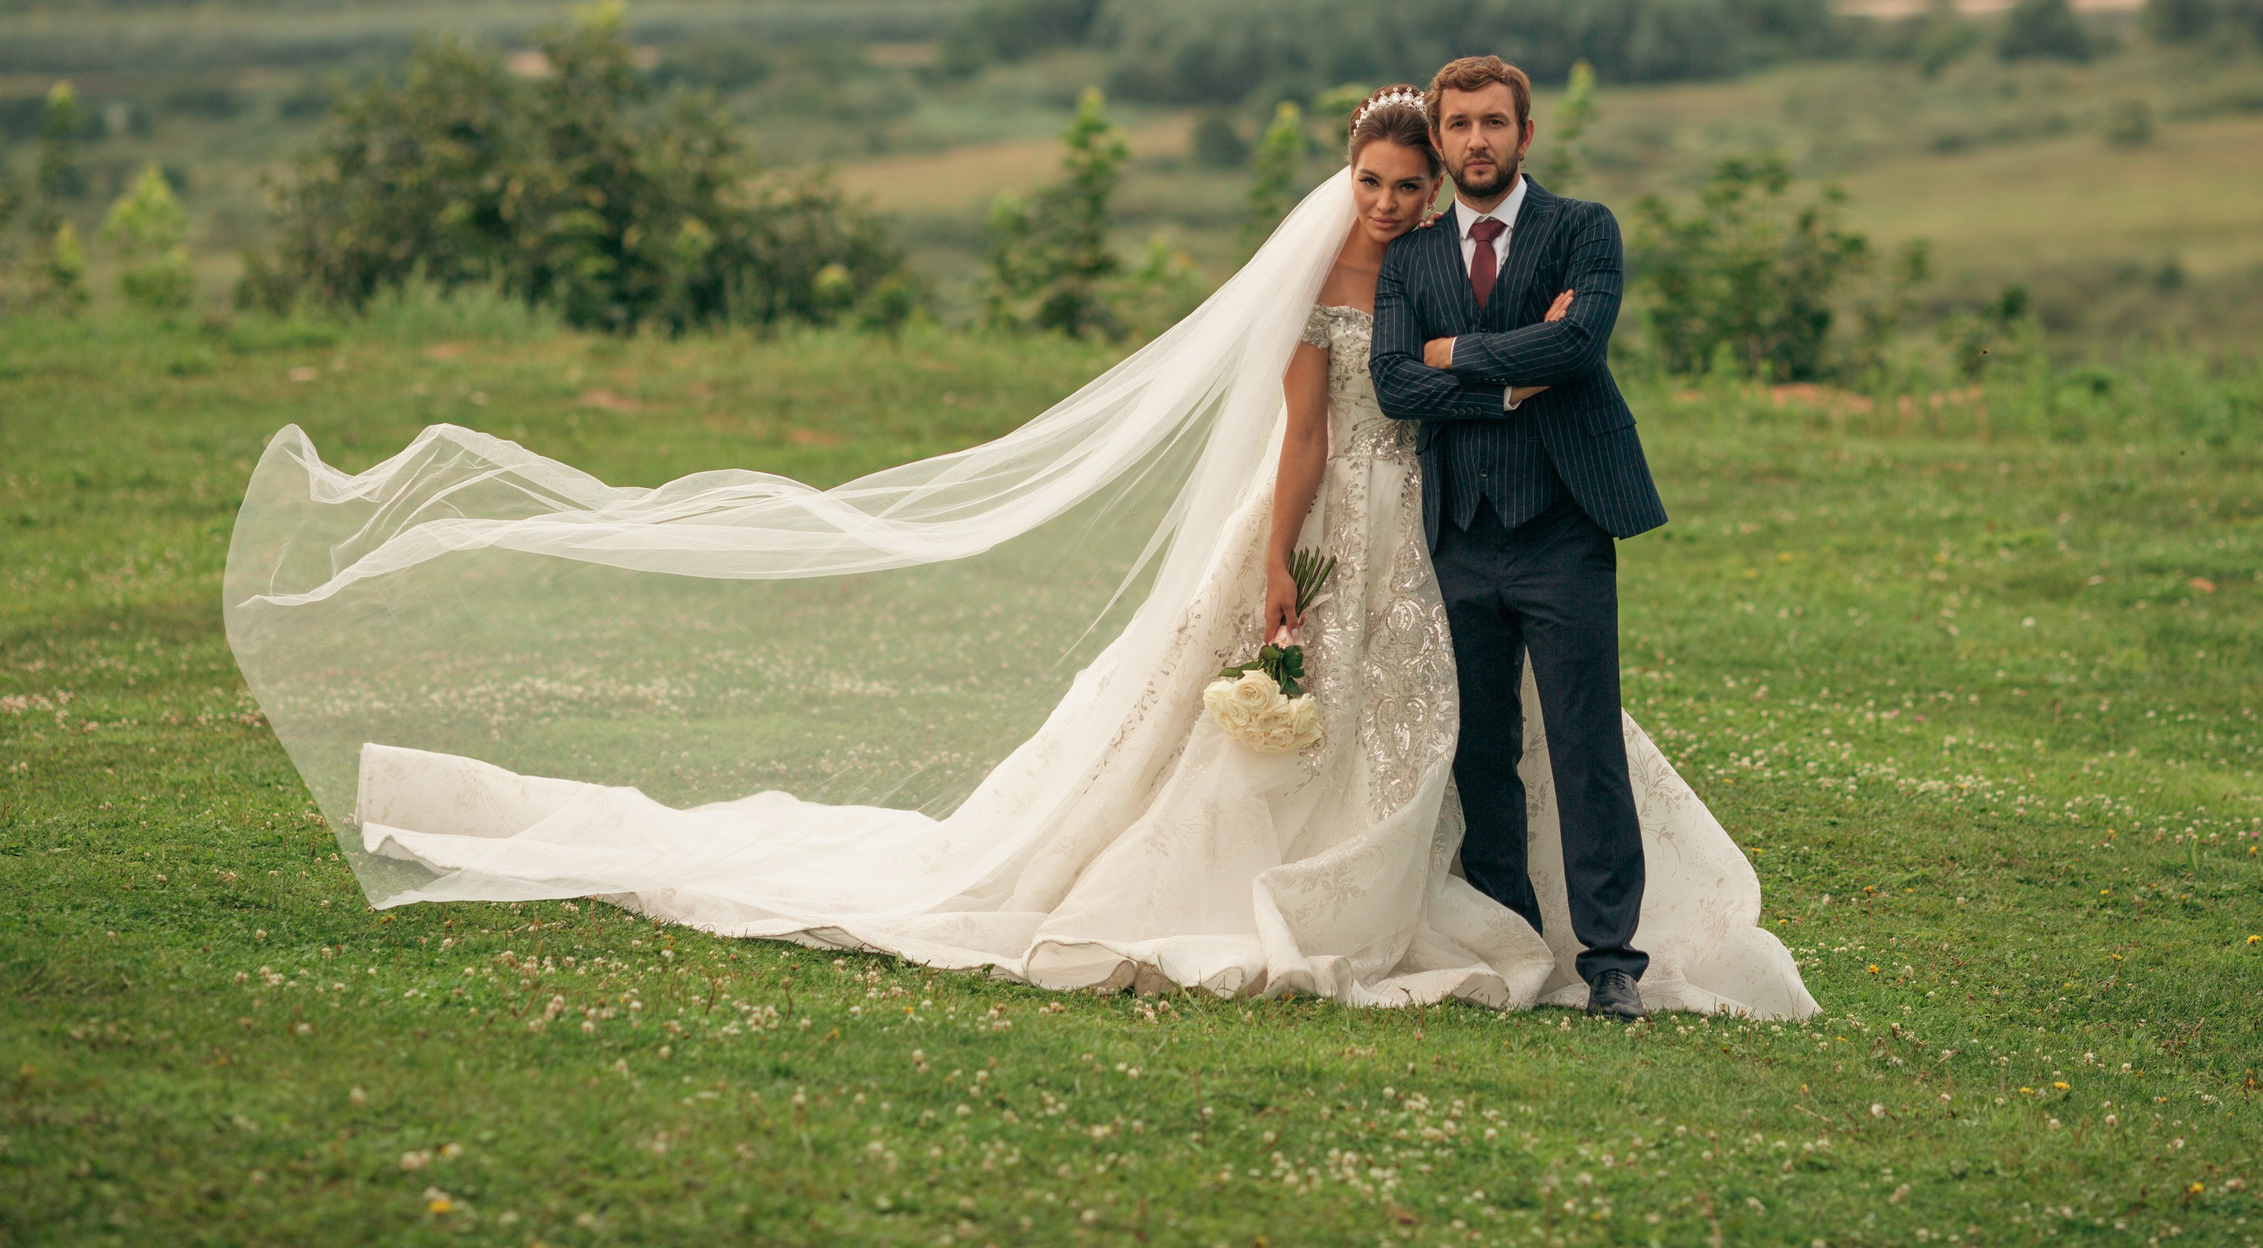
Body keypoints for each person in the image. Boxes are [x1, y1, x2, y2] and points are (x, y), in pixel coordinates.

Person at [226, 86, 1814, 1018]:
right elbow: (1324, 423)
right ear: (1354, 171)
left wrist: (1498, 358)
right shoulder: (1337, 262)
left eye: (1421, 177)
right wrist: (1280, 560)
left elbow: (1517, 357)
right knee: (1321, 712)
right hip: (1345, 519)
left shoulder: (1480, 249)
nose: (1400, 198)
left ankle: (1570, 925)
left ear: (1476, 154)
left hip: (1462, 528)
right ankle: (1383, 903)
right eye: (1383, 178)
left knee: (1492, 718)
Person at [1372, 55, 1663, 1020]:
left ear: (1524, 133)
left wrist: (1455, 354)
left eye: (1494, 123)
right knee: (1480, 746)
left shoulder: (1583, 229)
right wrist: (1502, 377)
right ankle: (1510, 932)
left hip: (1564, 527)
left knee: (1586, 742)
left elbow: (1579, 346)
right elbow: (1392, 383)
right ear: (1441, 136)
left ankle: (1614, 957)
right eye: (1459, 126)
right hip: (1457, 532)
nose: (1477, 142)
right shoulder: (1409, 257)